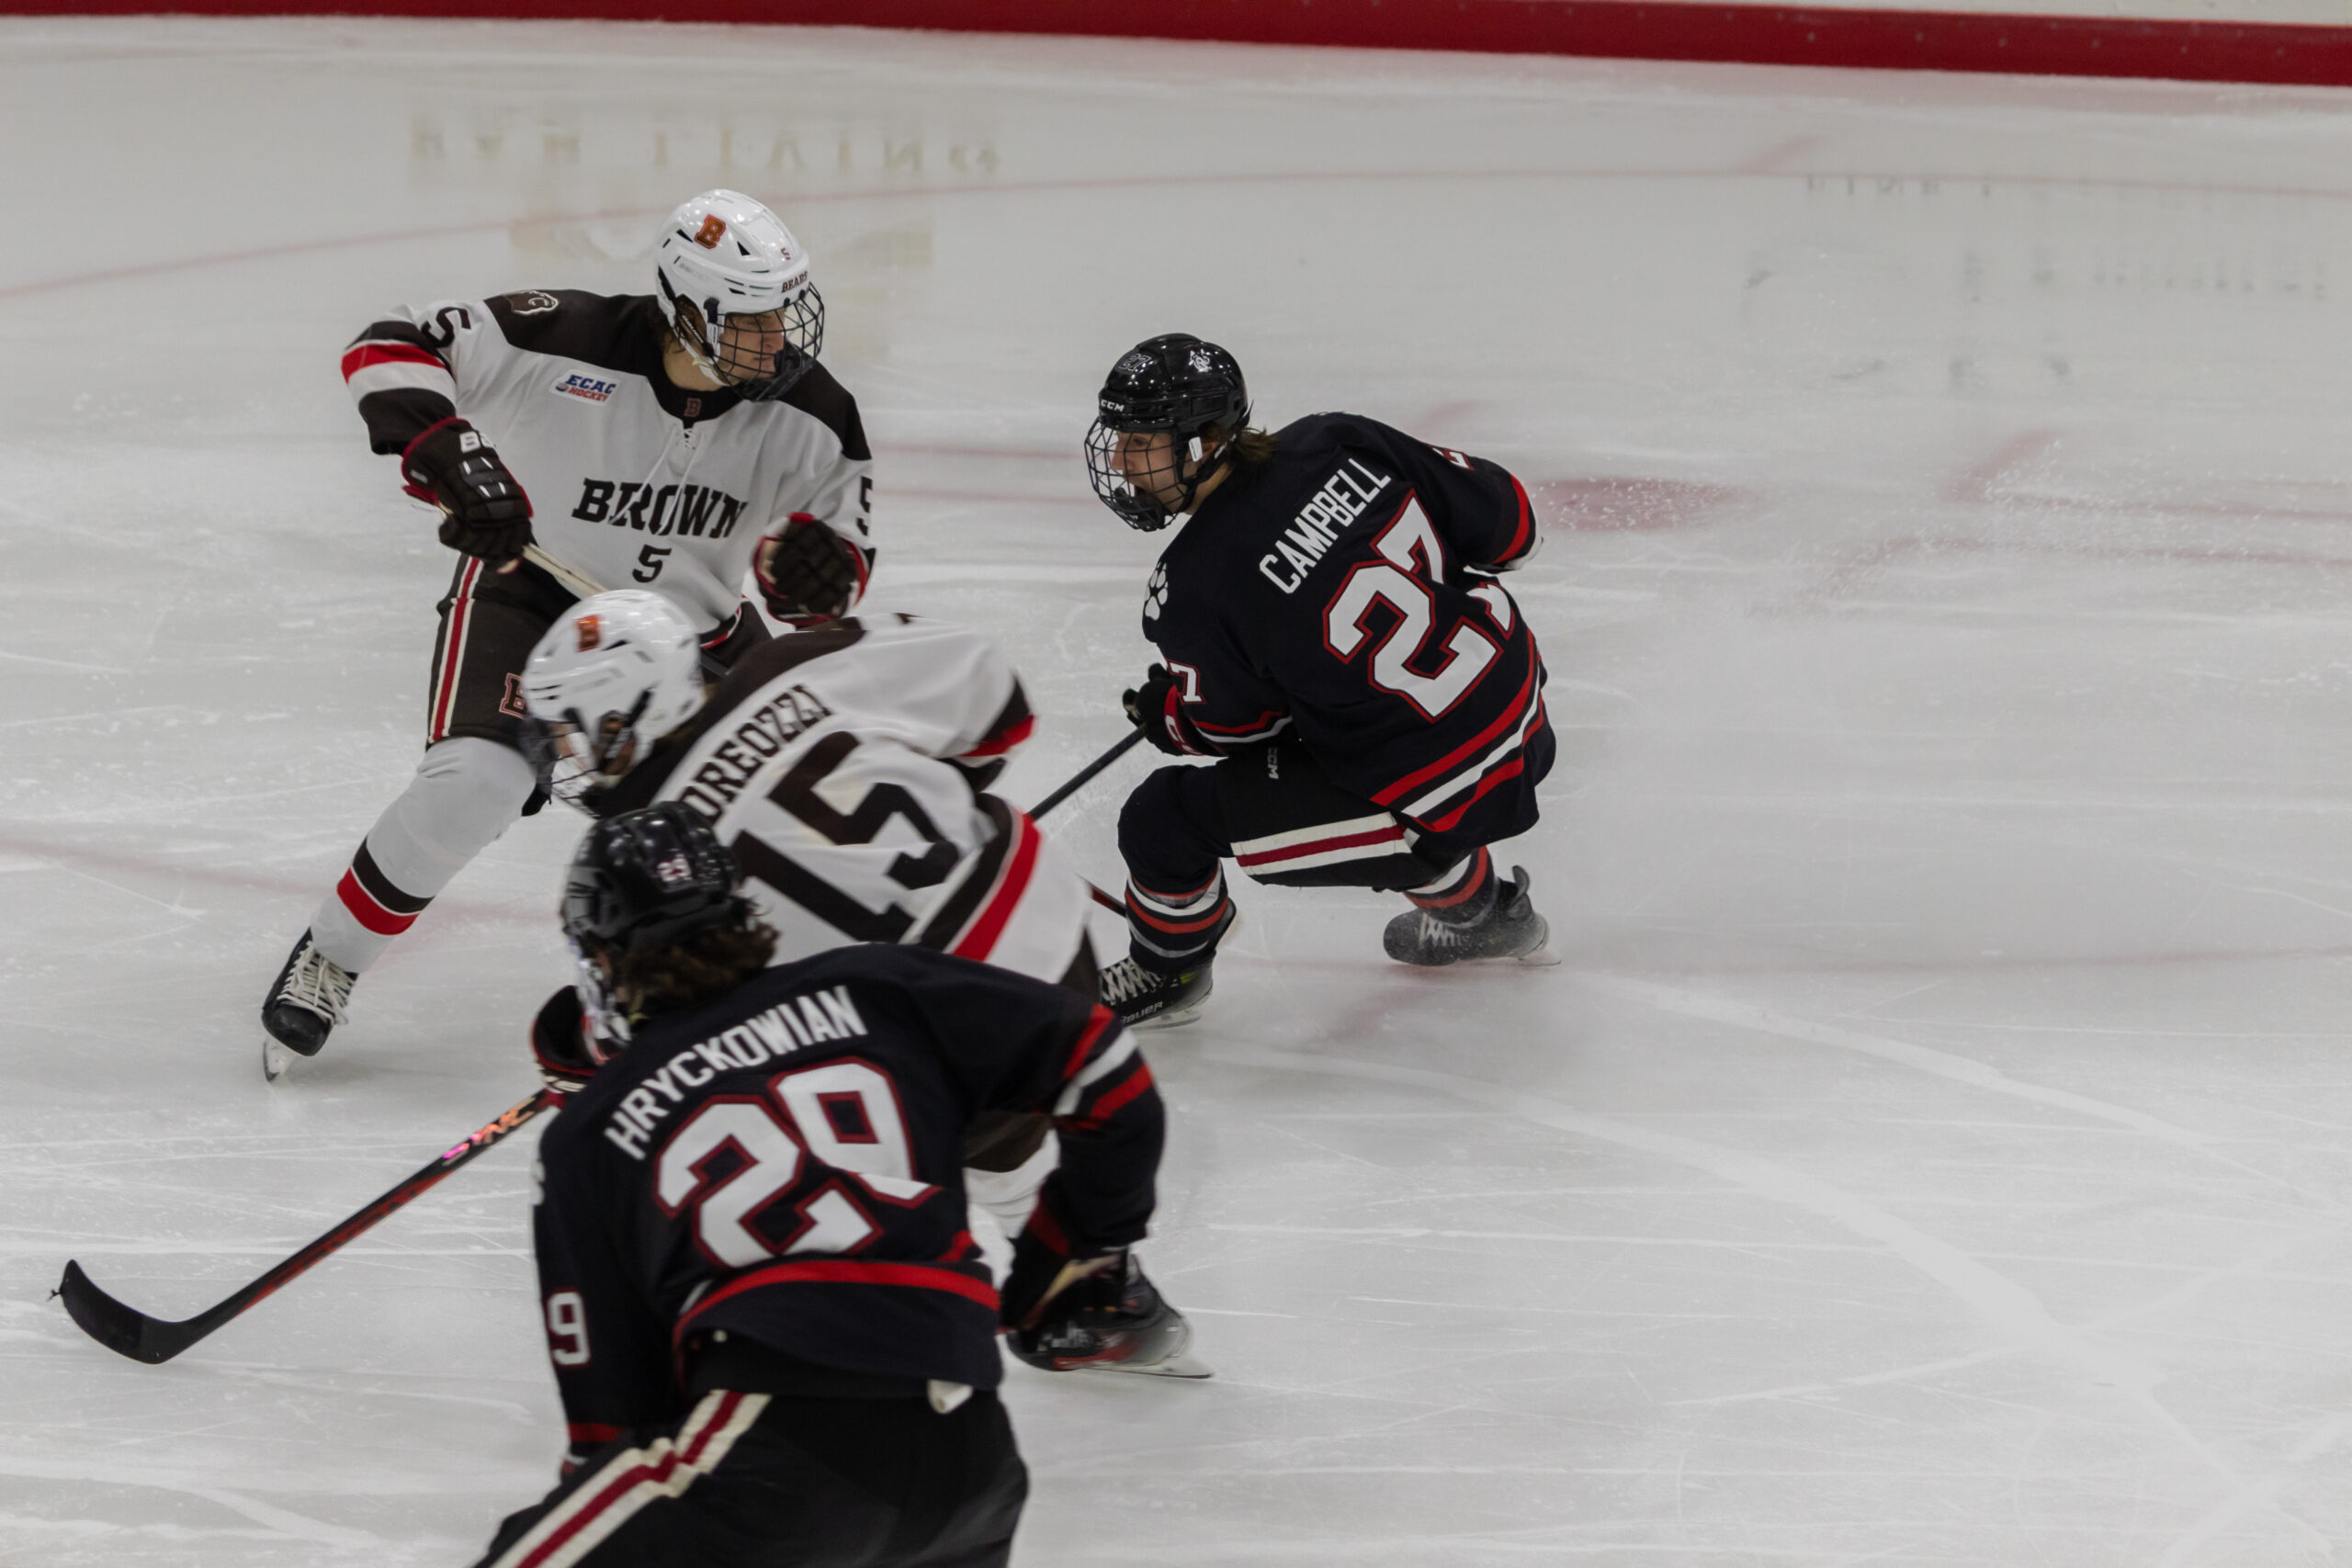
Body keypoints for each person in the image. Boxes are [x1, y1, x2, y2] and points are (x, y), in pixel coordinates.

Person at [470, 805, 1193, 1568]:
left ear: (603, 959)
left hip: (780, 1459)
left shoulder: (590, 1131)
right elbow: (1104, 1065)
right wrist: (1071, 1254)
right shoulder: (875, 986)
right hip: (973, 1465)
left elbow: (607, 1429)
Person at [260, 189, 877, 1080]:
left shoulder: (814, 410)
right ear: (685, 308)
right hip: (534, 599)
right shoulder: (561, 337)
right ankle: (334, 953)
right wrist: (449, 452)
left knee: (799, 816)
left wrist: (817, 577)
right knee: (473, 781)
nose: (776, 337)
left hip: (696, 637)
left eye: (781, 309)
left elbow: (839, 558)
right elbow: (389, 345)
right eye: (749, 317)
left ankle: (783, 999)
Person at [514, 591, 1100, 1245]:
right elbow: (1001, 710)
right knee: (990, 1097)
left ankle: (1017, 1267)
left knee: (780, 1116)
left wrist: (581, 1059)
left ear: (623, 721)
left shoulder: (644, 863)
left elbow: (657, 1050)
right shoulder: (795, 662)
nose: (562, 756)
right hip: (1051, 947)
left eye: (567, 733)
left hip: (926, 1067)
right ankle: (1084, 1269)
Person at [1081, 334, 1556, 1026]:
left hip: (1439, 778)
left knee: (1162, 819)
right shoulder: (1338, 440)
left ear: (1207, 439)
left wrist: (1170, 715)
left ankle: (1169, 970)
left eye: (1141, 439)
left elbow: (1238, 730)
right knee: (1353, 743)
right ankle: (1486, 914)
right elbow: (1512, 529)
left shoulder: (1193, 586)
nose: (1122, 459)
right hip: (1522, 708)